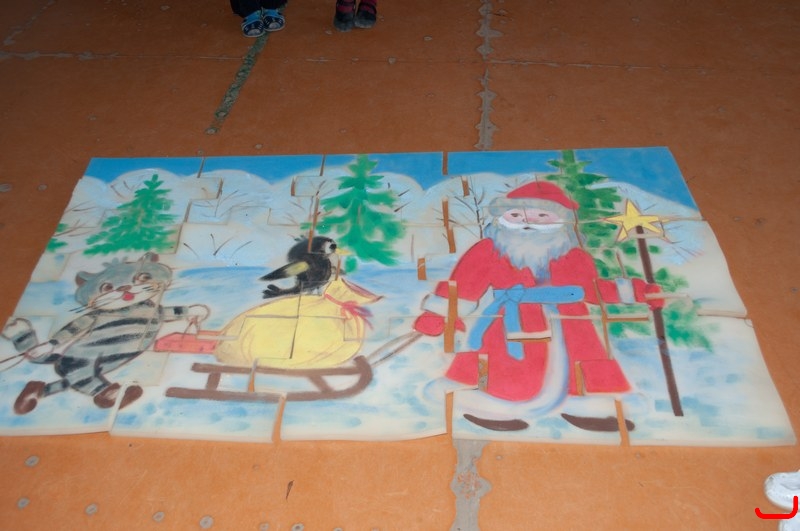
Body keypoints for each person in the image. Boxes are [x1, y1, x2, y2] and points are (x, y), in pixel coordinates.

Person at [413, 181, 663, 431]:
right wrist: (438, 314)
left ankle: (591, 409)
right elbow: (463, 284)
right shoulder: (488, 250)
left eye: (541, 216)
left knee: (583, 363)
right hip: (510, 321)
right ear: (503, 218)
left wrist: (639, 292)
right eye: (516, 215)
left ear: (560, 221)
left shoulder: (573, 255)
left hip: (571, 322)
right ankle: (493, 408)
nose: (527, 222)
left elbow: (594, 289)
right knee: (503, 368)